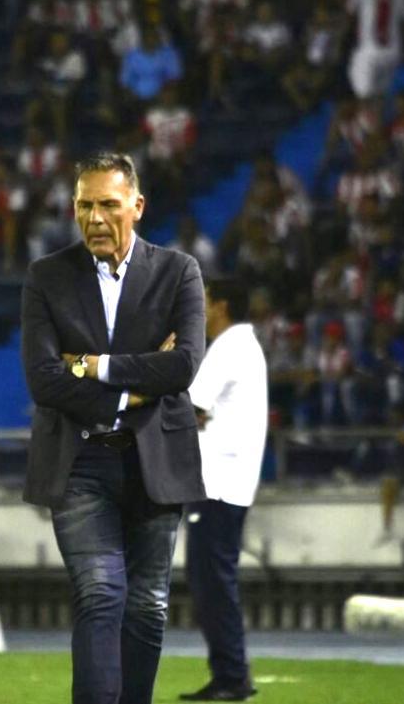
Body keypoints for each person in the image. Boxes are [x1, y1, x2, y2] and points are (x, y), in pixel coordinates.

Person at [20, 153, 206, 704]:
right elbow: (43, 381)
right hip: (81, 460)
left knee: (147, 605)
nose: (94, 217)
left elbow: (185, 365)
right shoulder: (47, 276)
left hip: (156, 462)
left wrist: (93, 365)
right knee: (102, 594)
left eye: (108, 204)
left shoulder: (180, 272)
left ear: (137, 207)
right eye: (84, 205)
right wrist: (138, 386)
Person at [180, 279, 266, 702]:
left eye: (205, 300)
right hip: (229, 483)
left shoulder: (230, 346)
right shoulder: (243, 346)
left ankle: (233, 676)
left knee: (211, 581)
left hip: (218, 484)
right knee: (213, 580)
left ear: (222, 306)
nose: (200, 309)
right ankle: (230, 673)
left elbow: (190, 406)